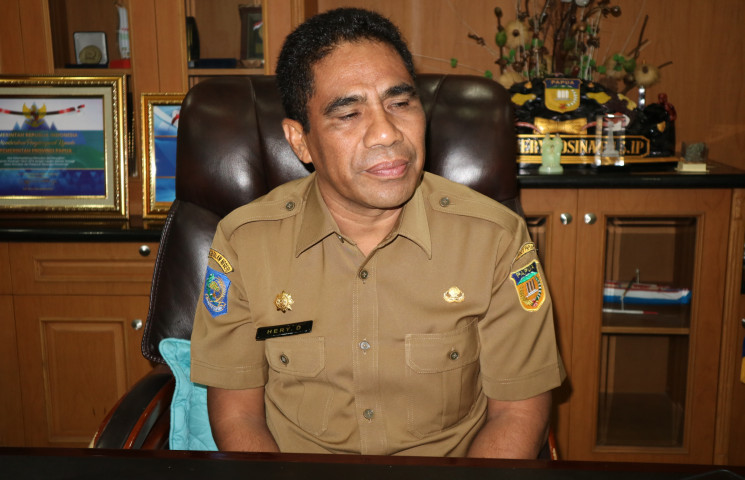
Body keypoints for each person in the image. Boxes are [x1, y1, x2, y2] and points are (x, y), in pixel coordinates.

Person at [190, 7, 565, 458]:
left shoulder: (495, 239)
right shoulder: (246, 242)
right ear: (300, 141)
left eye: (400, 103)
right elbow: (238, 416)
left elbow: (518, 413)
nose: (387, 134)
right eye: (349, 114)